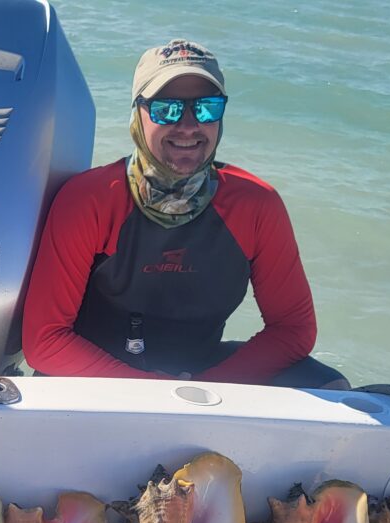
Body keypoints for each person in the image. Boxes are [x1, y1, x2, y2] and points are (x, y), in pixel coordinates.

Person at [22, 39, 348, 389]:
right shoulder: (91, 200)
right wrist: (150, 392)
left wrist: (202, 389)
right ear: (137, 113)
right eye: (168, 109)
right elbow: (46, 342)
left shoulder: (256, 206)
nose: (190, 125)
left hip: (202, 374)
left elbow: (293, 329)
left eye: (207, 108)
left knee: (330, 387)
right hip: (96, 377)